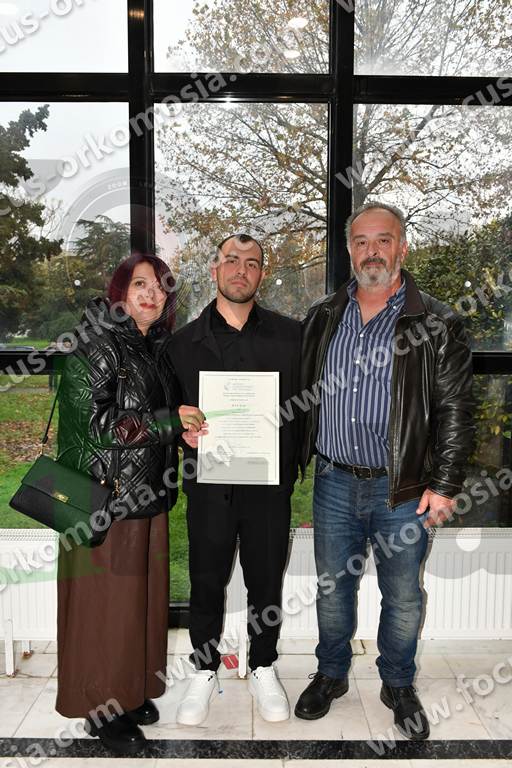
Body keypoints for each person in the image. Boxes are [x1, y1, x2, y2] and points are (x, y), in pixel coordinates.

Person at [295, 202, 474, 740]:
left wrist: (445, 484)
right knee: (332, 590)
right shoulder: (324, 316)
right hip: (333, 481)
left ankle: (397, 684)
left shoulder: (437, 322)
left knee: (403, 596)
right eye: (361, 241)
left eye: (383, 240)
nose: (371, 251)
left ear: (402, 247)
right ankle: (331, 674)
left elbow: (456, 409)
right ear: (349, 250)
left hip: (405, 488)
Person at [55, 253, 205, 755]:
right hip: (104, 498)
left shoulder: (150, 344)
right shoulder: (96, 340)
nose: (151, 294)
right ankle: (101, 707)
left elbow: (154, 414)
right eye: (140, 284)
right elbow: (95, 424)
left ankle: (130, 690)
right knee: (106, 610)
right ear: (120, 289)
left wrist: (182, 432)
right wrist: (169, 421)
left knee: (138, 605)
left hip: (144, 495)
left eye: (160, 287)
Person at [165, 234, 301, 725]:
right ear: (215, 268)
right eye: (232, 260)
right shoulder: (181, 345)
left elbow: (308, 407)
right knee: (206, 580)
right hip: (209, 485)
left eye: (252, 263)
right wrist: (182, 433)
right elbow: (168, 414)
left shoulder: (292, 338)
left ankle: (263, 665)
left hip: (269, 485)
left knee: (266, 581)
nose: (241, 270)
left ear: (262, 273)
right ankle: (204, 670)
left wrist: (292, 458)